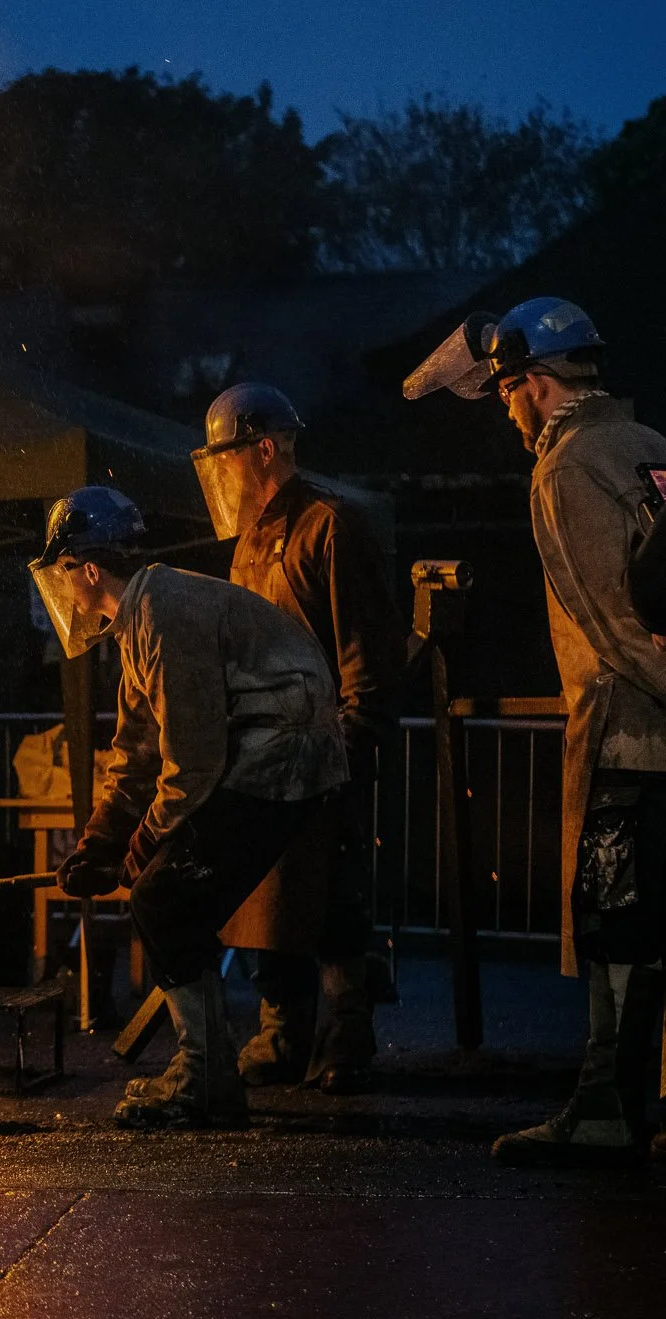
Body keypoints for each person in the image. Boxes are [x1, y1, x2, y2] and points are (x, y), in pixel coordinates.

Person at [408, 297, 666, 1166]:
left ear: (539, 383)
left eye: (509, 391)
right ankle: (634, 1101)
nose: (507, 410)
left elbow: (613, 624)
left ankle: (604, 1108)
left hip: (627, 739)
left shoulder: (565, 467)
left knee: (615, 921)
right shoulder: (648, 446)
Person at [33, 486, 347, 1128]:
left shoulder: (163, 613)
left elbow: (193, 763)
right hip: (273, 747)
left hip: (284, 750)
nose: (63, 592)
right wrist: (100, 841)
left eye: (64, 573)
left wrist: (141, 847)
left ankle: (206, 1079)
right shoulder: (140, 617)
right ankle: (208, 1070)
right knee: (169, 895)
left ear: (88, 568)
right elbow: (136, 753)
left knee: (164, 896)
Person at [192, 382, 405, 1093]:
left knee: (336, 895)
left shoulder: (330, 527)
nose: (220, 476)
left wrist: (352, 743)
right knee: (265, 893)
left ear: (263, 449)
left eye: (227, 458)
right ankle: (284, 1031)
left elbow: (365, 656)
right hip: (264, 754)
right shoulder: (251, 542)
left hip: (327, 750)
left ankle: (345, 1036)